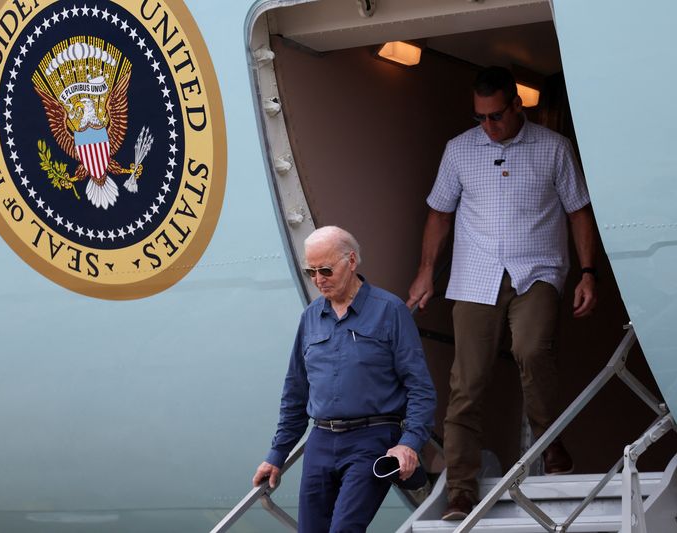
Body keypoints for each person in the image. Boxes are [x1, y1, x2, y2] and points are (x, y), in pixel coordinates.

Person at [406, 66, 598, 520]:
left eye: (495, 116)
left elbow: (579, 213)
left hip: (538, 273)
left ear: (517, 105)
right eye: (479, 118)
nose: (487, 126)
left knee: (531, 352)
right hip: (475, 279)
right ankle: (460, 490)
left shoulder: (554, 147)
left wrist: (588, 273)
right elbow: (439, 214)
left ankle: (550, 443)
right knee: (465, 384)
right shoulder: (459, 151)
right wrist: (425, 272)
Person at [254, 226, 437, 532]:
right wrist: (276, 455)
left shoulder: (390, 311)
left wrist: (409, 444)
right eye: (310, 271)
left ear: (351, 261)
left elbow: (420, 388)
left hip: (372, 439)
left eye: (325, 269)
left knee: (344, 529)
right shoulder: (310, 317)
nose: (318, 279)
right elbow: (296, 393)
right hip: (321, 441)